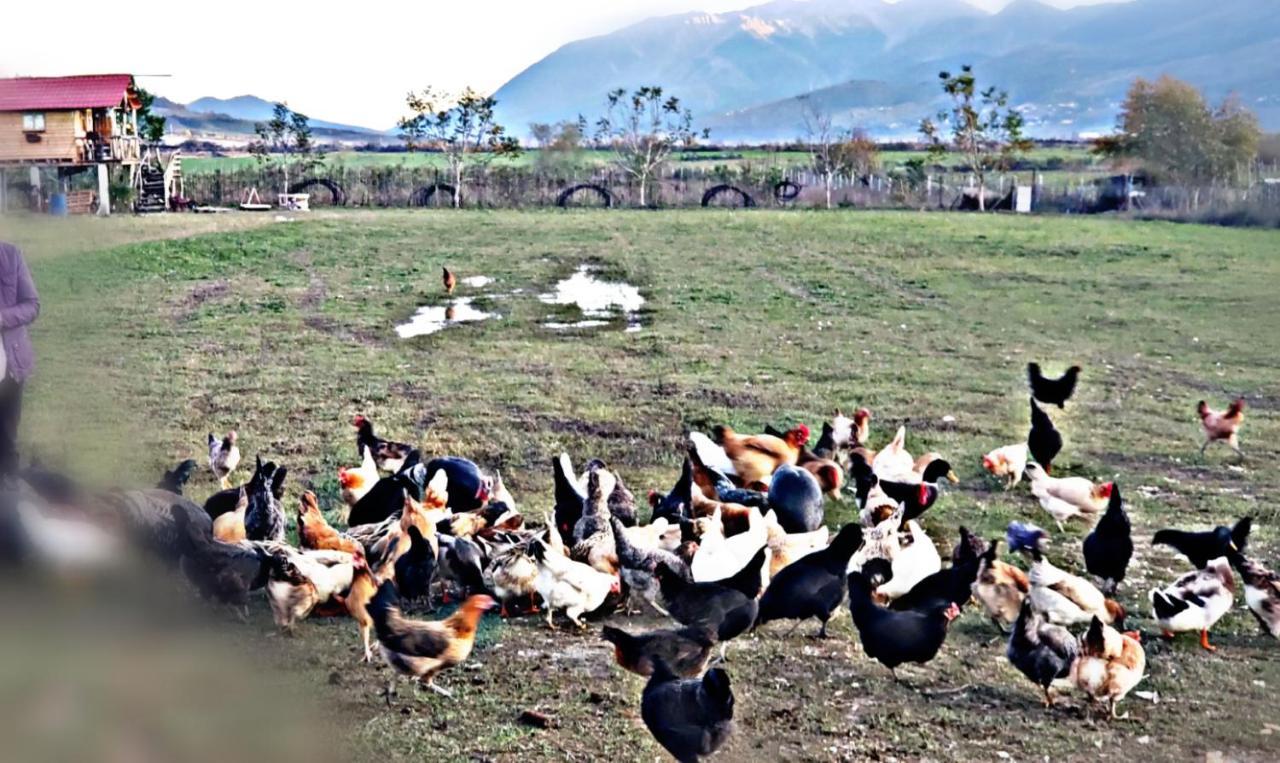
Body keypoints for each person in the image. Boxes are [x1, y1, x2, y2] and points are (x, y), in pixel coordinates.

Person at [0, 242, 39, 477]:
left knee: (7, 439)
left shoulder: (11, 256)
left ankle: (11, 501)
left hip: (10, 368)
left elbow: (32, 305)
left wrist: (2, 317)